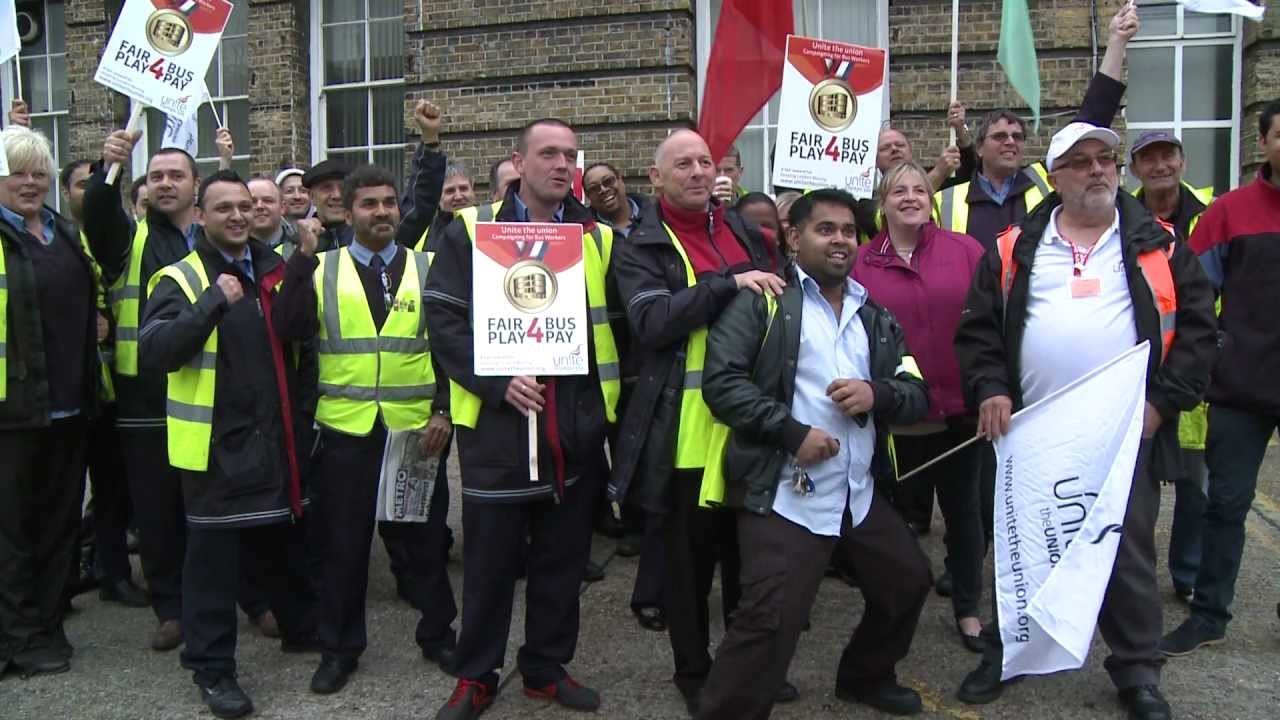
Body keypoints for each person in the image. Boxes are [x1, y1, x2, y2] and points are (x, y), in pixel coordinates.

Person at [952, 121, 1216, 720]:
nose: (1098, 170)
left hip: (1125, 434)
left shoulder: (1162, 244)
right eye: (1081, 161)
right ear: (1057, 174)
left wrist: (1160, 405)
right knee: (1024, 543)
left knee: (1127, 551)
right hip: (1034, 435)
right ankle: (1006, 652)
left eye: (1106, 159)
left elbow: (1198, 334)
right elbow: (978, 331)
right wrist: (991, 388)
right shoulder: (1014, 246)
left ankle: (1137, 672)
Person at [696, 187, 932, 719]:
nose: (840, 240)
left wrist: (880, 394)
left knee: (908, 582)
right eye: (825, 229)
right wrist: (791, 432)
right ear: (793, 237)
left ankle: (866, 676)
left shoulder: (874, 313)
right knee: (769, 618)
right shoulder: (762, 302)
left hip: (858, 490)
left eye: (849, 231)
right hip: (785, 491)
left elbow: (915, 389)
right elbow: (722, 383)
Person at [425, 118, 619, 719]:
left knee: (562, 565)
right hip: (499, 433)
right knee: (489, 567)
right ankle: (477, 675)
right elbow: (443, 321)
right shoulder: (470, 229)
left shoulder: (595, 236)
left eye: (569, 156)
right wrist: (494, 382)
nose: (562, 165)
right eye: (548, 154)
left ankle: (543, 668)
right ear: (519, 160)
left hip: (572, 428)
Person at [609, 129, 795, 714]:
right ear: (655, 177)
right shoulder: (640, 243)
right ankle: (693, 673)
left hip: (751, 426)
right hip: (684, 432)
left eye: (704, 162)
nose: (696, 172)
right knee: (688, 572)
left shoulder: (741, 228)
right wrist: (728, 283)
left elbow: (782, 294)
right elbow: (653, 323)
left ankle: (745, 668)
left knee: (750, 563)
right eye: (681, 164)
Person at [139, 170, 319, 718]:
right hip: (217, 448)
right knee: (213, 568)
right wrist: (213, 303)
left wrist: (305, 264)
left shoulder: (275, 266)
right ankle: (213, 671)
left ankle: (298, 627)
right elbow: (157, 352)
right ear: (200, 216)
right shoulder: (180, 276)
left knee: (282, 546)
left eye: (244, 206)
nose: (238, 216)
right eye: (223, 209)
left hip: (277, 434)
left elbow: (298, 332)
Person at [272, 164, 454, 696]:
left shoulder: (430, 266)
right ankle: (339, 648)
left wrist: (443, 409)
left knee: (423, 540)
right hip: (347, 432)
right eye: (369, 204)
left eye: (389, 203)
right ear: (347, 212)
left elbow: (447, 347)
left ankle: (439, 633)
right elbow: (288, 330)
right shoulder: (319, 266)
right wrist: (301, 261)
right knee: (343, 548)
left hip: (417, 431)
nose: (381, 213)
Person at [1159, 99, 1280, 657]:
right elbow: (1194, 298)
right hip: (1241, 387)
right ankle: (1209, 615)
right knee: (1225, 504)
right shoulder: (1229, 213)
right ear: (1264, 143)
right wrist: (1214, 355)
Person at [852, 161, 987, 652]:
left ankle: (969, 608)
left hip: (961, 415)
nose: (911, 196)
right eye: (899, 190)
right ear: (882, 203)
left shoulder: (966, 250)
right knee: (888, 522)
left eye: (920, 189)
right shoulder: (860, 263)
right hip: (894, 420)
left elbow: (991, 322)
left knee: (965, 516)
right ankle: (891, 600)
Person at [85, 130, 207, 652]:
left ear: (196, 185)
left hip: (209, 391)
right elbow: (97, 217)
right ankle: (171, 608)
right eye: (155, 176)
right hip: (145, 397)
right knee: (157, 512)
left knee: (212, 507)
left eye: (175, 175)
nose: (164, 183)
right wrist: (107, 170)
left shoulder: (215, 234)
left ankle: (236, 596)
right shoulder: (127, 238)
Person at [0, 125, 101, 679]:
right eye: (17, 171)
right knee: (12, 533)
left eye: (39, 171)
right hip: (11, 413)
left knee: (57, 526)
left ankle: (44, 622)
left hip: (68, 405)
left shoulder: (64, 233)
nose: (31, 181)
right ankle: (17, 638)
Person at [936, 4, 1137, 249]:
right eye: (1000, 136)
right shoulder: (946, 201)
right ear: (979, 148)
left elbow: (1093, 116)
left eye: (1018, 137)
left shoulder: (1046, 181)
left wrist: (1116, 42)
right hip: (977, 288)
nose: (1010, 141)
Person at [1128, 130, 1216, 602]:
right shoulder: (1124, 218)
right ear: (1136, 169)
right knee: (1145, 489)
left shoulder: (1211, 214)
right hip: (1149, 376)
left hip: (1201, 369)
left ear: (1183, 161)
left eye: (1168, 155)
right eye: (1149, 158)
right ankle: (1136, 581)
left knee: (1196, 486)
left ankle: (1187, 575)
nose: (1160, 165)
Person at [58, 158, 148, 609]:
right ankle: (64, 578)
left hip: (112, 384)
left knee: (113, 489)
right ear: (65, 193)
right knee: (65, 493)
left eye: (95, 185)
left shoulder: (117, 239)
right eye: (80, 184)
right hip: (66, 386)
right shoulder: (53, 239)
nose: (88, 191)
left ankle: (111, 571)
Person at [302, 160, 355, 251]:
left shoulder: (371, 239)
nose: (337, 195)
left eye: (344, 188)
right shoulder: (295, 245)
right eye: (326, 188)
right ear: (311, 196)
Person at [584, 161, 647, 238]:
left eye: (608, 181)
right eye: (594, 188)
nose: (603, 190)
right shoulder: (585, 234)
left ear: (620, 180)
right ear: (588, 196)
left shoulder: (656, 216)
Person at [247, 176, 299, 258]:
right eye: (252, 201)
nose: (259, 206)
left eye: (268, 200)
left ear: (282, 207)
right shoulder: (229, 250)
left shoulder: (301, 248)